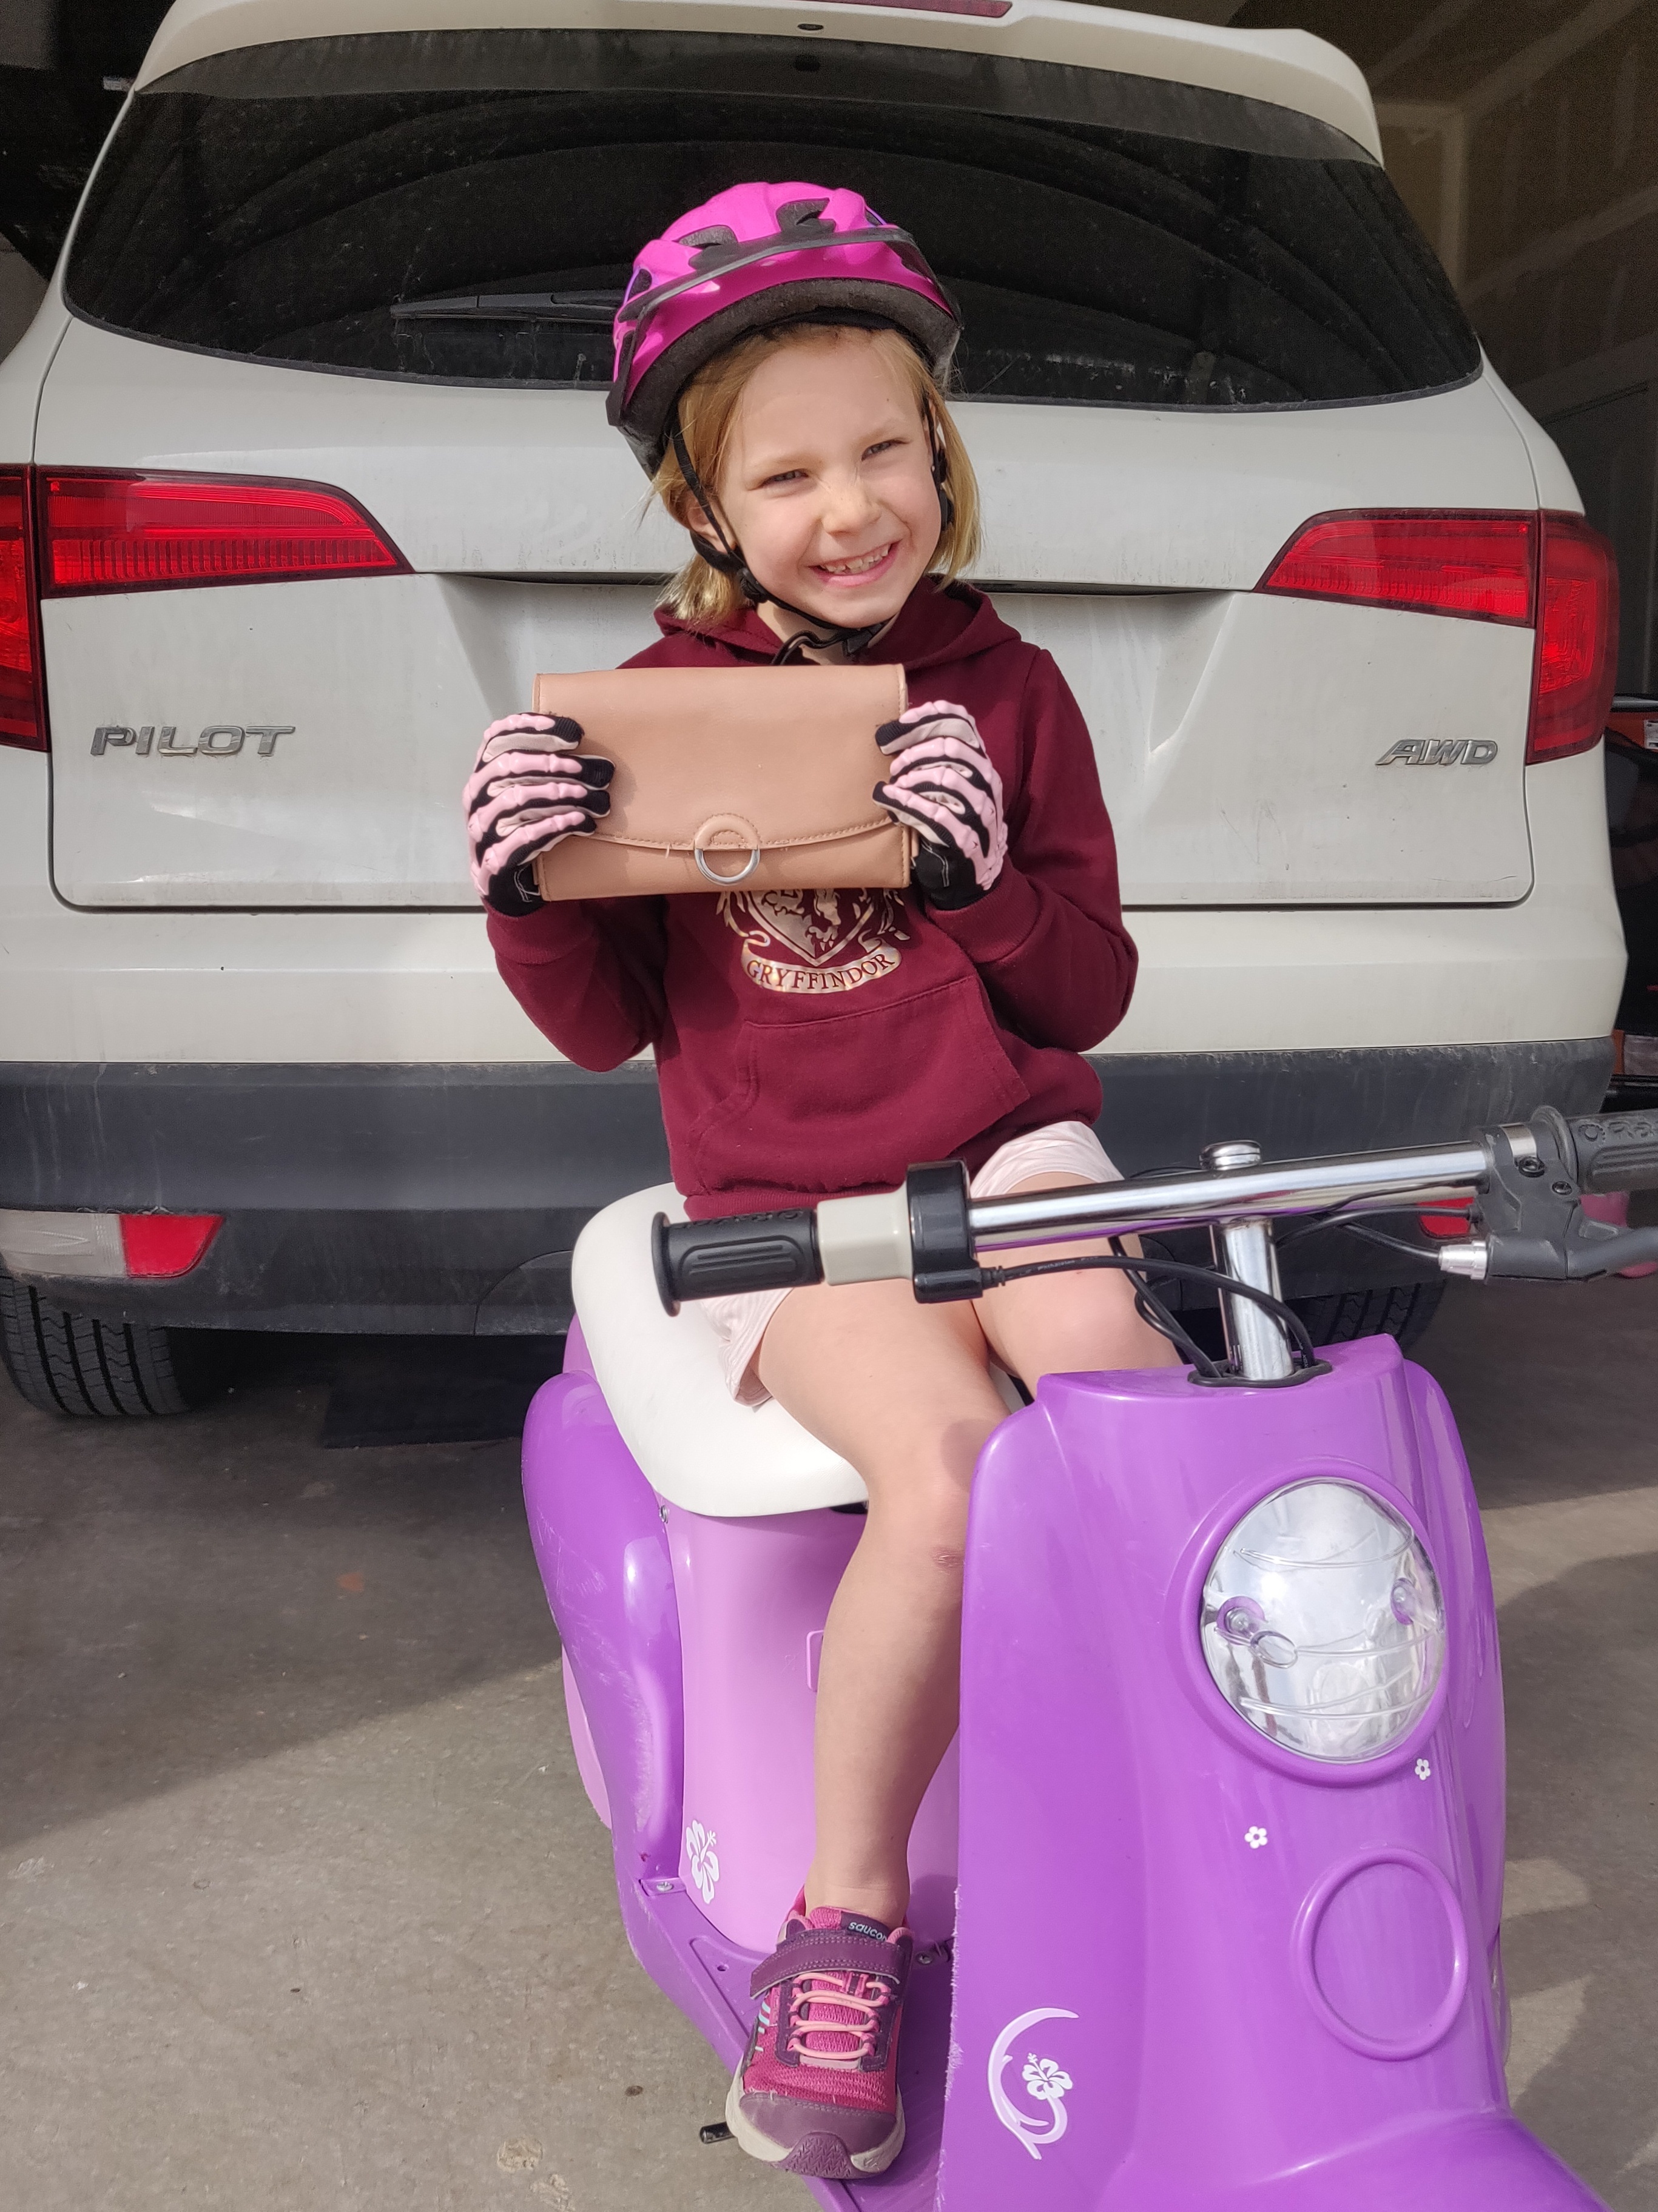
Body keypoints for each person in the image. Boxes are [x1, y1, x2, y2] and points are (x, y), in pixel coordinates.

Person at [465, 182, 1178, 2182]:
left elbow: (1089, 981)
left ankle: (1173, 1812)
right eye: (787, 474)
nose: (850, 506)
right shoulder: (644, 719)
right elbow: (605, 1026)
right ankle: (845, 1915)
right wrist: (528, 887)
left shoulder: (1010, 691)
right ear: (706, 513)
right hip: (791, 1204)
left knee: (1127, 1421)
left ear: (941, 455)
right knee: (949, 1472)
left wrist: (980, 885)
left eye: (888, 452)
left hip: (1009, 1144)